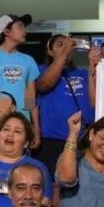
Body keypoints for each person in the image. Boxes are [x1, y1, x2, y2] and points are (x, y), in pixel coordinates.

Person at [0, 14, 41, 149]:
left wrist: (35, 130)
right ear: (6, 31)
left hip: (21, 127)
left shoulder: (28, 60)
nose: (25, 31)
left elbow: (30, 97)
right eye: (19, 27)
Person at [36, 35, 94, 176]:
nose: (66, 48)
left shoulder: (82, 73)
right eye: (60, 45)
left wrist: (93, 64)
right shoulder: (41, 69)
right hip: (52, 139)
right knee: (53, 184)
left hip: (82, 140)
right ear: (49, 51)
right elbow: (44, 85)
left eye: (68, 45)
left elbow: (94, 101)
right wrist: (64, 53)